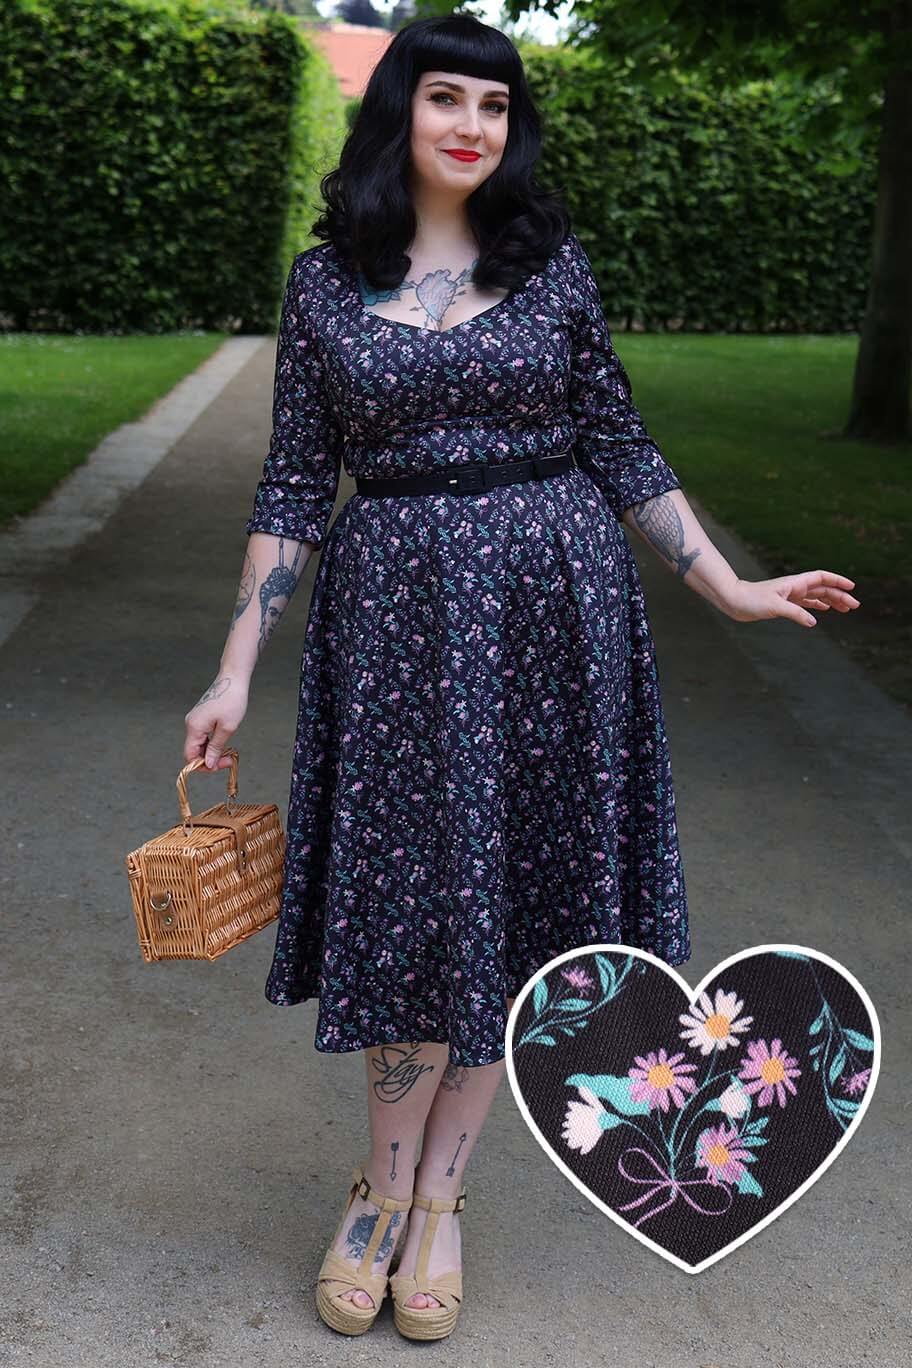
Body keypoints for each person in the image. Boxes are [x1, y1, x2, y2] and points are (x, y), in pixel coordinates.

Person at [182, 14, 859, 1341]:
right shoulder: (327, 284)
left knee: (519, 898)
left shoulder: (550, 271)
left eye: (496, 107)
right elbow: (291, 487)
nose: (474, 128)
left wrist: (724, 581)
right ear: (401, 116)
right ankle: (377, 1189)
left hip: (560, 623)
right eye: (447, 100)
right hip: (395, 635)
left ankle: (441, 1197)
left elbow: (617, 440)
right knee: (417, 904)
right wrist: (232, 672)